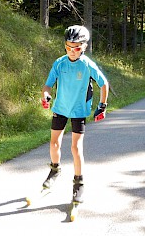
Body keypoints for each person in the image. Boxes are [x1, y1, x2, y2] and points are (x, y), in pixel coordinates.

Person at [41, 25, 109, 204]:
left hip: (79, 111)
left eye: (77, 48)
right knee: (54, 144)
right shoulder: (59, 63)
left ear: (84, 47)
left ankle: (79, 183)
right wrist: (46, 95)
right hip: (60, 108)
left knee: (75, 148)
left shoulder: (87, 65)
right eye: (68, 47)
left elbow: (104, 84)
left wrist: (102, 105)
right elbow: (48, 85)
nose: (72, 51)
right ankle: (55, 170)